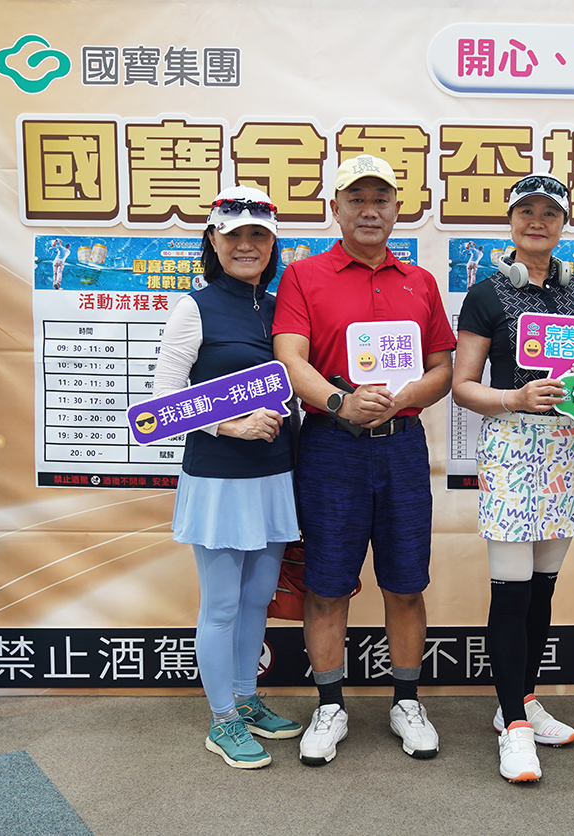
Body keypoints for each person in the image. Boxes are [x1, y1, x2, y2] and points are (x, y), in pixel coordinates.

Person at [273, 155, 456, 765]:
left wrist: (402, 398)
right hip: (331, 447)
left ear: (398, 209)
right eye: (356, 199)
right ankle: (330, 706)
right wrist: (340, 402)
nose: (369, 210)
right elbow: (290, 359)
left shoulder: (419, 281)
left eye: (381, 199)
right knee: (328, 586)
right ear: (336, 208)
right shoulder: (304, 276)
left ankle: (407, 702)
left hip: (401, 448)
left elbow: (443, 368)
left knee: (405, 583)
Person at [452, 174, 574, 783]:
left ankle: (522, 699)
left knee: (543, 588)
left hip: (568, 447)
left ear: (563, 224)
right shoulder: (486, 293)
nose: (537, 221)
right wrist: (514, 397)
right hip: (513, 446)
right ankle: (513, 725)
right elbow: (463, 386)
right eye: (526, 211)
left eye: (549, 213)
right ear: (511, 221)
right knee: (511, 591)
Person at [152, 186, 302, 769]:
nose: (246, 245)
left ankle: (245, 698)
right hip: (218, 480)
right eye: (233, 234)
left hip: (274, 475)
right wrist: (230, 426)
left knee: (258, 598)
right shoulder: (193, 307)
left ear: (272, 244)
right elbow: (161, 404)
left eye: (258, 235)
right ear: (213, 241)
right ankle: (222, 721)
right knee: (220, 606)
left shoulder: (281, 307)